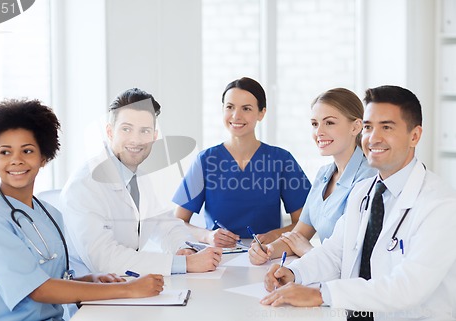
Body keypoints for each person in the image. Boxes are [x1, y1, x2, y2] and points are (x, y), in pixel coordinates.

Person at [261, 86, 456, 321]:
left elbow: (408, 287)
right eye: (368, 127)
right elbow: (335, 252)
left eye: (386, 127)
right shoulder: (363, 192)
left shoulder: (440, 204)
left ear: (414, 136)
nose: (373, 138)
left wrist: (321, 294)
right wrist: (293, 273)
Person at [0, 99, 164, 321]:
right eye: (5, 152)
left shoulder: (48, 213)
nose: (16, 161)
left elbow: (54, 279)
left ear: (43, 158)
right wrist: (129, 289)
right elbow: (38, 289)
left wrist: (89, 279)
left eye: (27, 151)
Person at [61, 88, 222, 277]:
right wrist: (184, 263)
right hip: (90, 298)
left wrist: (184, 248)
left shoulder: (140, 180)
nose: (136, 139)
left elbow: (166, 224)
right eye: (126, 129)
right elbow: (104, 261)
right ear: (110, 132)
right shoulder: (84, 185)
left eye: (144, 131)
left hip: (128, 287)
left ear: (154, 136)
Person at [173, 77, 311, 248]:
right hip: (217, 259)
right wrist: (207, 236)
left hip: (268, 255)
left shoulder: (281, 160)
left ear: (261, 113)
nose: (236, 116)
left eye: (246, 108)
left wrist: (275, 235)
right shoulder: (206, 161)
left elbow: (305, 223)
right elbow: (177, 223)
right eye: (230, 107)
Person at [249, 88, 376, 265]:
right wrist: (267, 250)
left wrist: (308, 251)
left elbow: (354, 257)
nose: (319, 132)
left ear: (355, 127)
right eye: (315, 124)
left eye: (329, 123)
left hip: (351, 283)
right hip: (324, 272)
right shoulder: (324, 175)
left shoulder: (370, 179)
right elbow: (299, 235)